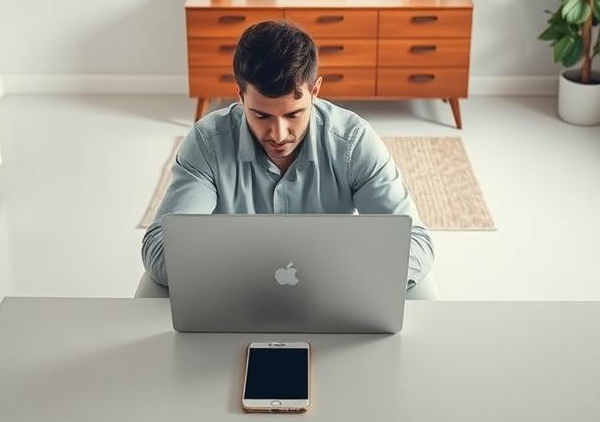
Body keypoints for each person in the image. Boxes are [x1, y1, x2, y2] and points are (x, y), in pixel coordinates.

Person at [141, 20, 434, 289]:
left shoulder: (353, 141)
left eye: (294, 114)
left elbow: (415, 243)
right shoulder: (207, 143)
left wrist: (343, 281)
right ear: (239, 95)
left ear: (315, 90)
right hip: (237, 301)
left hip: (331, 296)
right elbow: (160, 248)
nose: (279, 134)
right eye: (260, 115)